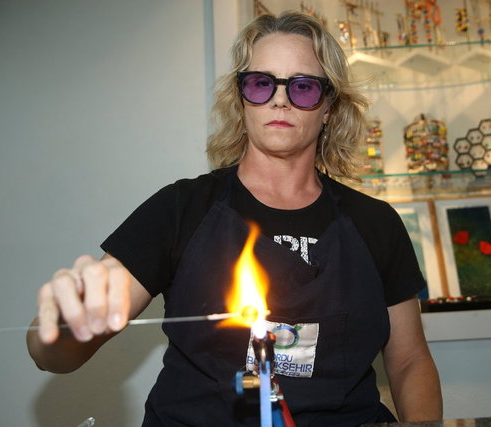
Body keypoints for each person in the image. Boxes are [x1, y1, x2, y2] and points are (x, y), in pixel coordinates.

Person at [27, 11, 442, 426]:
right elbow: (54, 356)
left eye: (302, 87)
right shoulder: (180, 209)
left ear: (329, 107)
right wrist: (63, 322)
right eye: (261, 83)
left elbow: (409, 360)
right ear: (241, 98)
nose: (280, 100)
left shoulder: (376, 223)